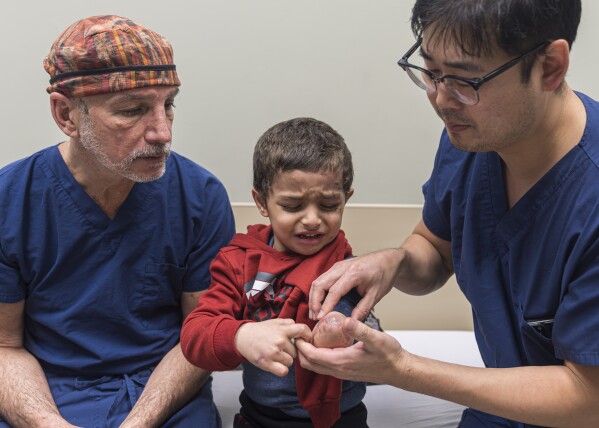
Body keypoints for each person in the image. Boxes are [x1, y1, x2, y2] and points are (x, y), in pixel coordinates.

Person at [296, 1, 599, 427]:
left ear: (550, 66)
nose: (440, 100)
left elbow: (588, 398)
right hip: (498, 414)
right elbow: (436, 251)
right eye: (431, 72)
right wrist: (393, 262)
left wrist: (401, 369)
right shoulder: (472, 136)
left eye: (463, 79)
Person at [0, 15, 235, 428]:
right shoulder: (10, 200)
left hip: (164, 398)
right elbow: (4, 345)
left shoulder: (199, 197)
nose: (163, 132)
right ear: (66, 114)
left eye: (169, 104)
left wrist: (139, 422)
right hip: (46, 392)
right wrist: (45, 423)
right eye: (133, 110)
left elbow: (199, 336)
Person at [181, 117, 373, 428]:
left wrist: (356, 339)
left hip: (344, 419)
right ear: (261, 202)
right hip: (261, 418)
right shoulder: (238, 264)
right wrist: (241, 336)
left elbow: (375, 344)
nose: (312, 220)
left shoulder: (352, 269)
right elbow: (195, 336)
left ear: (346, 199)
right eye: (293, 206)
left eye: (328, 205)